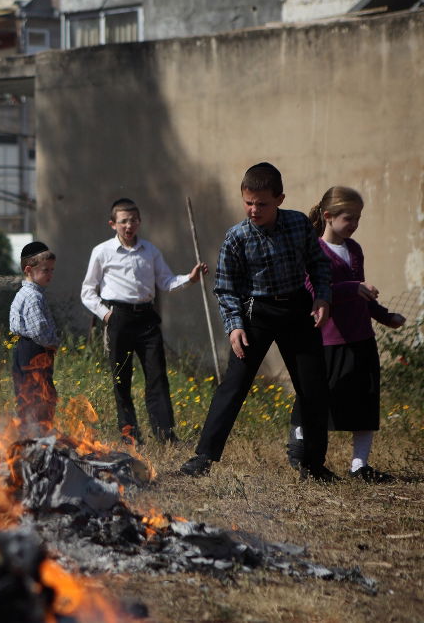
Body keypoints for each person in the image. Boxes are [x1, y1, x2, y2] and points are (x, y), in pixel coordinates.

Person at [180, 162, 336, 480]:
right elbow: (225, 286)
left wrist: (322, 296)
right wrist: (234, 325)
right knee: (234, 385)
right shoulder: (236, 237)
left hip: (297, 310)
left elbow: (318, 263)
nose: (254, 209)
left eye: (262, 203)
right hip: (256, 314)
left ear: (280, 198)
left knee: (313, 387)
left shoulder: (298, 225)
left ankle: (314, 464)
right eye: (248, 202)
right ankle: (203, 458)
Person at [285, 187, 406, 482]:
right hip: (327, 341)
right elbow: (313, 292)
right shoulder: (314, 251)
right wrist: (354, 288)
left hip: (361, 338)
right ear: (328, 216)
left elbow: (361, 294)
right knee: (314, 401)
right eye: (348, 218)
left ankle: (359, 466)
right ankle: (301, 454)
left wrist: (384, 316)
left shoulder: (354, 250)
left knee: (364, 404)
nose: (354, 224)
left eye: (358, 219)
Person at [81, 198, 207, 445]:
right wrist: (106, 314)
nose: (129, 225)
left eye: (133, 220)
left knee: (157, 375)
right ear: (113, 224)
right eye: (123, 221)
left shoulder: (150, 251)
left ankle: (165, 434)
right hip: (119, 318)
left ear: (139, 222)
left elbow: (166, 282)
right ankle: (129, 433)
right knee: (121, 377)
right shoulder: (102, 252)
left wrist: (190, 279)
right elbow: (87, 291)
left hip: (147, 320)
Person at [9, 241, 59, 437]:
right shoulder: (33, 297)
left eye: (52, 270)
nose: (50, 275)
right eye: (46, 270)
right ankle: (40, 435)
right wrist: (52, 343)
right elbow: (39, 330)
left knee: (26, 395)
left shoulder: (24, 293)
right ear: (29, 270)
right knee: (42, 396)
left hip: (24, 350)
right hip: (35, 351)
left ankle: (27, 434)